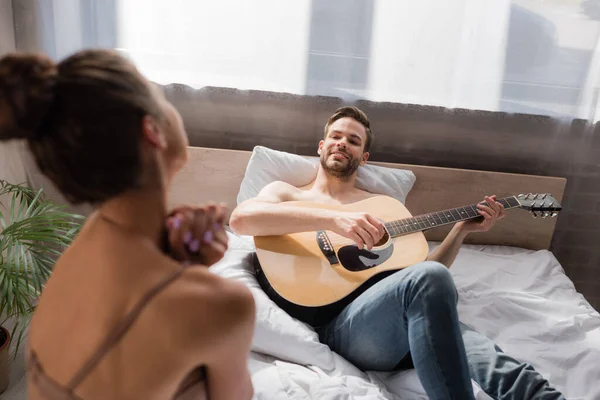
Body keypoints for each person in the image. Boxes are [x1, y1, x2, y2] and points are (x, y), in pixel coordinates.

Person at [230, 106, 565, 400]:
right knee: (434, 292)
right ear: (322, 146)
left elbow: (423, 276)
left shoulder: (384, 209)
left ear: (364, 158)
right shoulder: (286, 192)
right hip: (338, 327)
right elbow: (242, 220)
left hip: (391, 323)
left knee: (472, 341)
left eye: (354, 140)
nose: (342, 143)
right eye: (336, 136)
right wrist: (335, 219)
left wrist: (461, 230)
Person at [0, 49, 255, 400]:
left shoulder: (89, 244)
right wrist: (201, 282)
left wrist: (186, 264)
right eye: (161, 97)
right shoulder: (223, 306)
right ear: (151, 130)